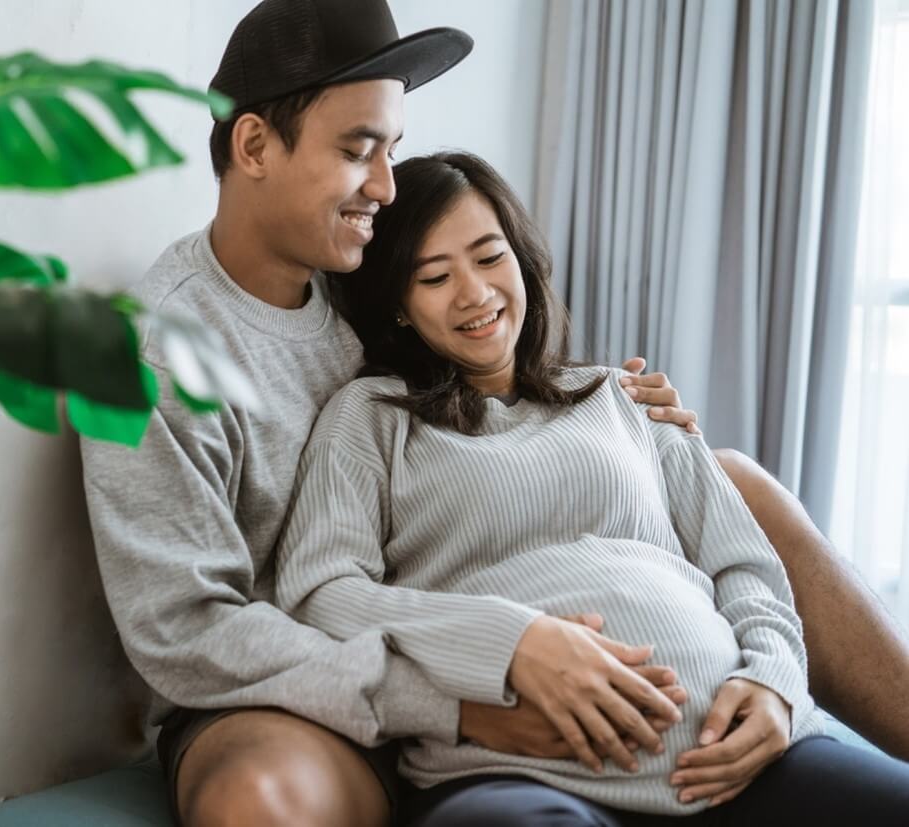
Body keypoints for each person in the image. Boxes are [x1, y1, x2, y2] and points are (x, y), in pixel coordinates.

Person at [79, 1, 909, 825]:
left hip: (461, 622)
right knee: (263, 797)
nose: (383, 187)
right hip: (294, 679)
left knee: (734, 481)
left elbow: (497, 351)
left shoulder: (359, 269)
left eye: (391, 151)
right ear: (253, 145)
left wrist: (624, 409)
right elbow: (187, 633)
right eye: (355, 151)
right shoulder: (153, 355)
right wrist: (469, 695)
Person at [274, 150, 909, 825]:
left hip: (739, 759)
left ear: (521, 260)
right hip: (527, 773)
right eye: (433, 276)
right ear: (398, 306)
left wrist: (773, 680)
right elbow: (321, 594)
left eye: (490, 258)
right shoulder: (370, 416)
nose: (473, 292)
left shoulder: (623, 396)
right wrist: (510, 639)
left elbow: (745, 564)